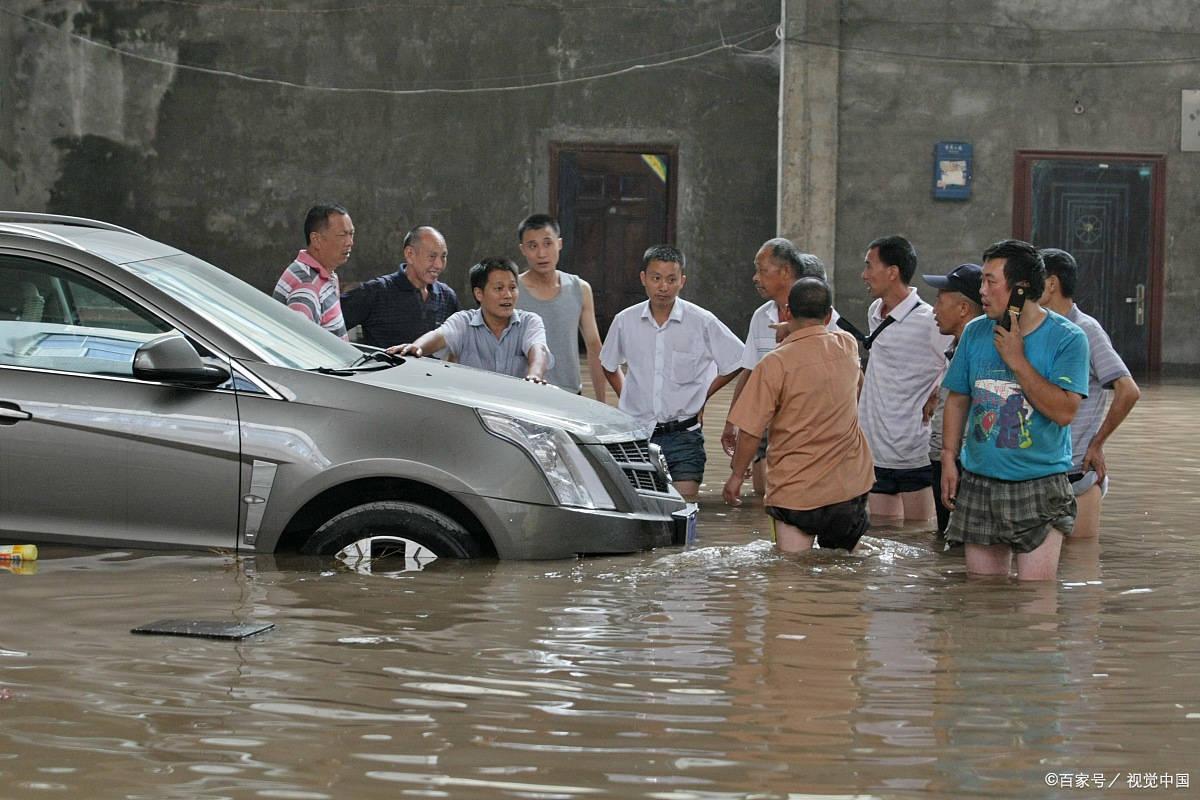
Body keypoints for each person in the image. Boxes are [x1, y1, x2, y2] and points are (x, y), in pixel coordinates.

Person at [940, 239, 1090, 581]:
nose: (982, 291)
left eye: (991, 282)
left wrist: (1017, 359)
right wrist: (949, 457)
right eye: (982, 281)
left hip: (1039, 483)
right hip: (979, 480)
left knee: (1035, 601)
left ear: (1021, 289)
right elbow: (959, 398)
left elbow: (1065, 412)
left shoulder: (1068, 338)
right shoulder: (976, 332)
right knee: (982, 599)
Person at [723, 277, 874, 552]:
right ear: (829, 315)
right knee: (843, 580)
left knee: (790, 576)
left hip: (796, 491)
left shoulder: (774, 364)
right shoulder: (848, 346)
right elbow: (859, 388)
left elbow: (750, 431)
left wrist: (735, 476)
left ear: (787, 312)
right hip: (848, 487)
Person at [600, 245, 744, 499]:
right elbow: (608, 365)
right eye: (656, 278)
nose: (663, 287)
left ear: (682, 281)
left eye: (671, 279)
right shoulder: (625, 320)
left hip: (684, 436)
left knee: (683, 511)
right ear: (643, 278)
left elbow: (738, 360)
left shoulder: (702, 321)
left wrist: (704, 396)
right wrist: (629, 397)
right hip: (637, 435)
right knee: (641, 508)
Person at [720, 238, 838, 495]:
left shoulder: (827, 321)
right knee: (768, 500)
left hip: (809, 426)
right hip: (764, 423)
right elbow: (749, 371)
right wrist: (733, 423)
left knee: (804, 498)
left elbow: (846, 381)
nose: (755, 278)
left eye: (762, 270)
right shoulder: (761, 317)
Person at [1039, 247, 1141, 539]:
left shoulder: (1085, 330)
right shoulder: (1037, 330)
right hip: (1040, 470)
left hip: (1077, 471)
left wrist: (1097, 443)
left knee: (1079, 564)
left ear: (1051, 284)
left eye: (1035, 279)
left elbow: (1128, 391)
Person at [858, 234, 953, 523]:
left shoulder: (929, 320)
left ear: (892, 272)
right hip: (874, 448)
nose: (864, 275)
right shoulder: (875, 313)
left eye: (869, 266)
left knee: (919, 538)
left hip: (914, 450)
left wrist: (937, 390)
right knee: (884, 536)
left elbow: (957, 363)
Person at [391, 257, 551, 382]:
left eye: (513, 287)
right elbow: (439, 335)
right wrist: (416, 347)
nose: (508, 295)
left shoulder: (530, 321)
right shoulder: (463, 322)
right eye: (499, 288)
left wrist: (535, 376)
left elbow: (538, 350)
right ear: (479, 294)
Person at [920, 263, 984, 536]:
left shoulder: (981, 352)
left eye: (940, 301)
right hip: (945, 459)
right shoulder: (956, 348)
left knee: (961, 543)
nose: (934, 309)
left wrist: (951, 458)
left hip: (961, 463)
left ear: (963, 309)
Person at [514, 214, 607, 400]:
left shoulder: (579, 289)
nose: (541, 253)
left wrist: (601, 402)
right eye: (533, 246)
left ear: (559, 244)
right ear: (523, 249)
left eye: (547, 243)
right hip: (523, 394)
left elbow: (594, 347)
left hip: (569, 393)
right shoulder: (512, 290)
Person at [340, 225, 459, 350]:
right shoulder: (377, 291)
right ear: (410, 254)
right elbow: (328, 326)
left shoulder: (447, 297)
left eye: (443, 257)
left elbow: (458, 342)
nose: (439, 265)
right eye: (432, 257)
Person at [273, 203, 354, 339]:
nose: (350, 242)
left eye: (351, 234)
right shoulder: (306, 287)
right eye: (342, 235)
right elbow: (300, 347)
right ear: (316, 240)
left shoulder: (323, 275)